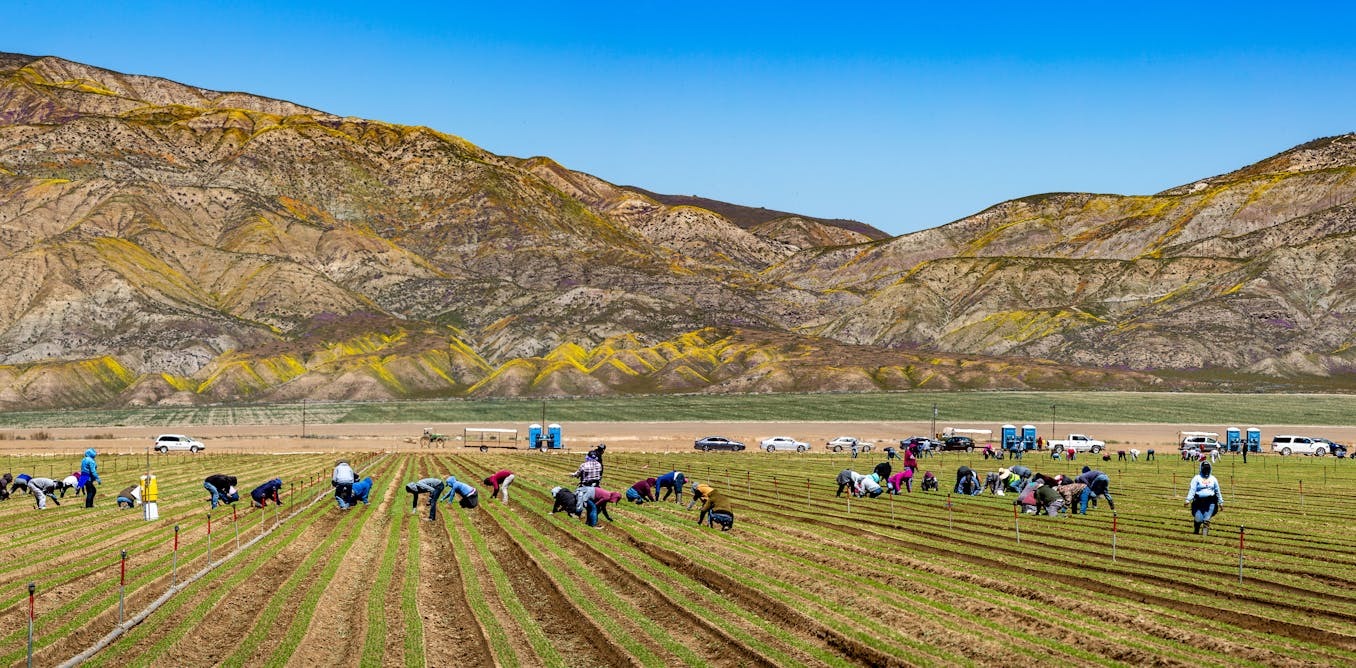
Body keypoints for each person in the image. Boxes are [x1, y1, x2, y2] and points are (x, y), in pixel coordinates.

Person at [1185, 461, 1223, 534]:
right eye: (1205, 469)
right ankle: (1196, 529)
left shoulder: (1213, 479)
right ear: (1201, 469)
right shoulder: (1196, 478)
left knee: (1206, 520)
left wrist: (1220, 502)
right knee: (1198, 519)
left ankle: (1204, 536)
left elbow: (1217, 491)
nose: (1206, 471)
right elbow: (1192, 489)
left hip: (1210, 503)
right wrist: (1188, 500)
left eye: (1208, 469)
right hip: (1198, 503)